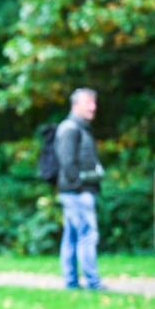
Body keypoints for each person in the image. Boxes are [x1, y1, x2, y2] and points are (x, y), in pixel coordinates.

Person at [55, 87, 104, 290]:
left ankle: (71, 282)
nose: (93, 107)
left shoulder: (79, 128)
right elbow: (67, 163)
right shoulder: (70, 129)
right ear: (76, 105)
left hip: (74, 192)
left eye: (94, 103)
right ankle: (92, 283)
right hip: (77, 193)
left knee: (72, 237)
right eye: (88, 103)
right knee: (87, 236)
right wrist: (80, 185)